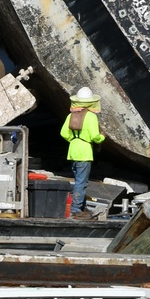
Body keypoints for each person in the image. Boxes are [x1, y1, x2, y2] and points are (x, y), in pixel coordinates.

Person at [60, 86, 104, 215]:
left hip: (72, 150)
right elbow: (95, 136)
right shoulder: (91, 117)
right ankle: (76, 209)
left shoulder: (71, 115)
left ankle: (80, 206)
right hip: (84, 152)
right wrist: (102, 137)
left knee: (77, 179)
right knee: (81, 182)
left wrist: (73, 140)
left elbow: (63, 133)